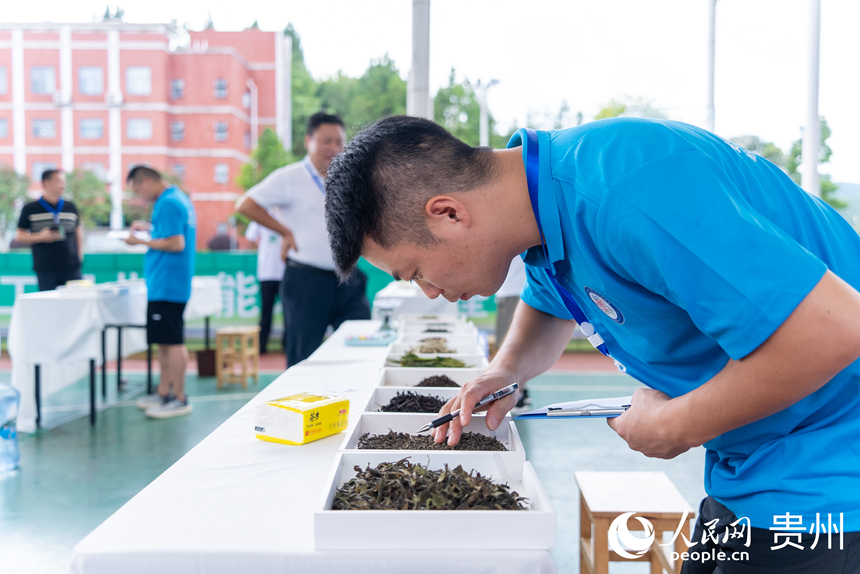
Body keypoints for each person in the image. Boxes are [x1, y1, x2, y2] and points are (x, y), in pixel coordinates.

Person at [324, 115, 860, 572]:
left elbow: (836, 328)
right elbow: (549, 303)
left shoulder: (626, 188)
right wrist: (505, 370)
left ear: (448, 213)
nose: (431, 293)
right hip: (751, 466)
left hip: (828, 475)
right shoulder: (541, 205)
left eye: (415, 271)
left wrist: (676, 425)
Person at [235, 112, 370, 367]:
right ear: (308, 140)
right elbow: (245, 205)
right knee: (302, 358)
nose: (334, 148)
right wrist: (284, 231)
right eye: (326, 141)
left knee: (360, 350)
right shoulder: (289, 177)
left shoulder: (351, 181)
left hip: (348, 280)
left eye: (339, 142)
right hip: (306, 281)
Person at [124, 166, 197, 419]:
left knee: (173, 342)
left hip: (167, 284)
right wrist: (149, 229)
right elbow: (170, 234)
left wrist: (140, 241)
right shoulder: (177, 199)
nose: (140, 196)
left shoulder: (167, 203)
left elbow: (176, 243)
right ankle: (164, 392)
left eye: (138, 190)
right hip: (167, 283)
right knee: (164, 341)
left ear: (147, 180)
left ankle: (179, 398)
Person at [15, 170, 84, 291]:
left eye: (64, 182)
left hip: (71, 266)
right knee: (49, 305)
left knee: (75, 303)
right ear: (46, 183)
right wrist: (40, 237)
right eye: (59, 181)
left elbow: (77, 232)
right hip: (46, 267)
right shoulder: (30, 208)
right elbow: (19, 236)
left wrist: (79, 255)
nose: (63, 185)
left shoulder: (70, 207)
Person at [245, 208, 288, 354]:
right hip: (267, 272)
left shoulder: (287, 213)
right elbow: (250, 238)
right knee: (266, 311)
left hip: (285, 271)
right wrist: (263, 252)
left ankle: (287, 345)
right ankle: (262, 345)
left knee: (288, 311)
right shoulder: (260, 215)